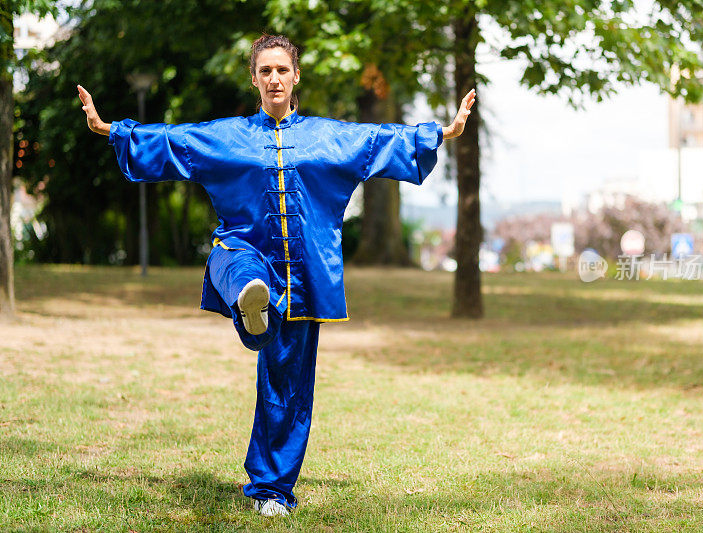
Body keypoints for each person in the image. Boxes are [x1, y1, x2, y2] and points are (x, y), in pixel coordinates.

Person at [78, 34, 475, 518]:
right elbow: (173, 139)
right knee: (234, 262)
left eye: (281, 70)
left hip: (303, 278)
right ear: (254, 78)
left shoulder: (328, 137)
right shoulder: (228, 136)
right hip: (243, 253)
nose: (273, 79)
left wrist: (443, 133)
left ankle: (272, 490)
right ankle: (251, 302)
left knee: (288, 387)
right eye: (265, 71)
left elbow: (379, 140)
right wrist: (110, 129)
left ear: (295, 76)